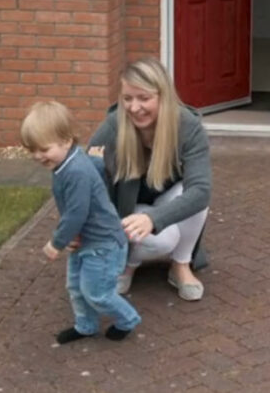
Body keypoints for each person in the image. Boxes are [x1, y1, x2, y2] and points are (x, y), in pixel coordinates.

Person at [88, 58, 212, 301]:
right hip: (127, 208)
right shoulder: (113, 126)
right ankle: (128, 264)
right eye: (127, 99)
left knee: (194, 196)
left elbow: (201, 190)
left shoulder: (187, 126)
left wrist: (154, 218)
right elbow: (83, 183)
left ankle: (181, 265)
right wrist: (78, 229)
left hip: (164, 202)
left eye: (144, 98)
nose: (134, 108)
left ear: (163, 97)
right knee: (163, 241)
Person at [20, 100, 141, 343]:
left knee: (97, 293)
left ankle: (128, 319)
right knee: (75, 287)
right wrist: (96, 160)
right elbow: (95, 168)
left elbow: (77, 213)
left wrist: (57, 242)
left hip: (104, 244)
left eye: (43, 149)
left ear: (66, 141)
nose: (37, 156)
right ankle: (85, 325)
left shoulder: (75, 171)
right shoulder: (69, 161)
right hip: (84, 240)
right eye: (31, 150)